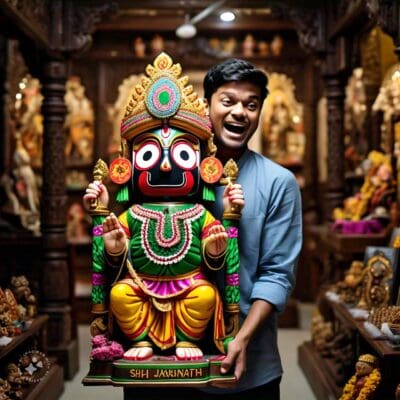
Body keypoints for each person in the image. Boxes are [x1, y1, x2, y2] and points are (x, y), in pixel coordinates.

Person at [199, 58, 303, 399]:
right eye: (228, 101)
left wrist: (241, 340)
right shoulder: (167, 173)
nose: (240, 112)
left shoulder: (278, 183)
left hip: (249, 361)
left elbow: (277, 274)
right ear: (206, 105)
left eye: (251, 105)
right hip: (166, 358)